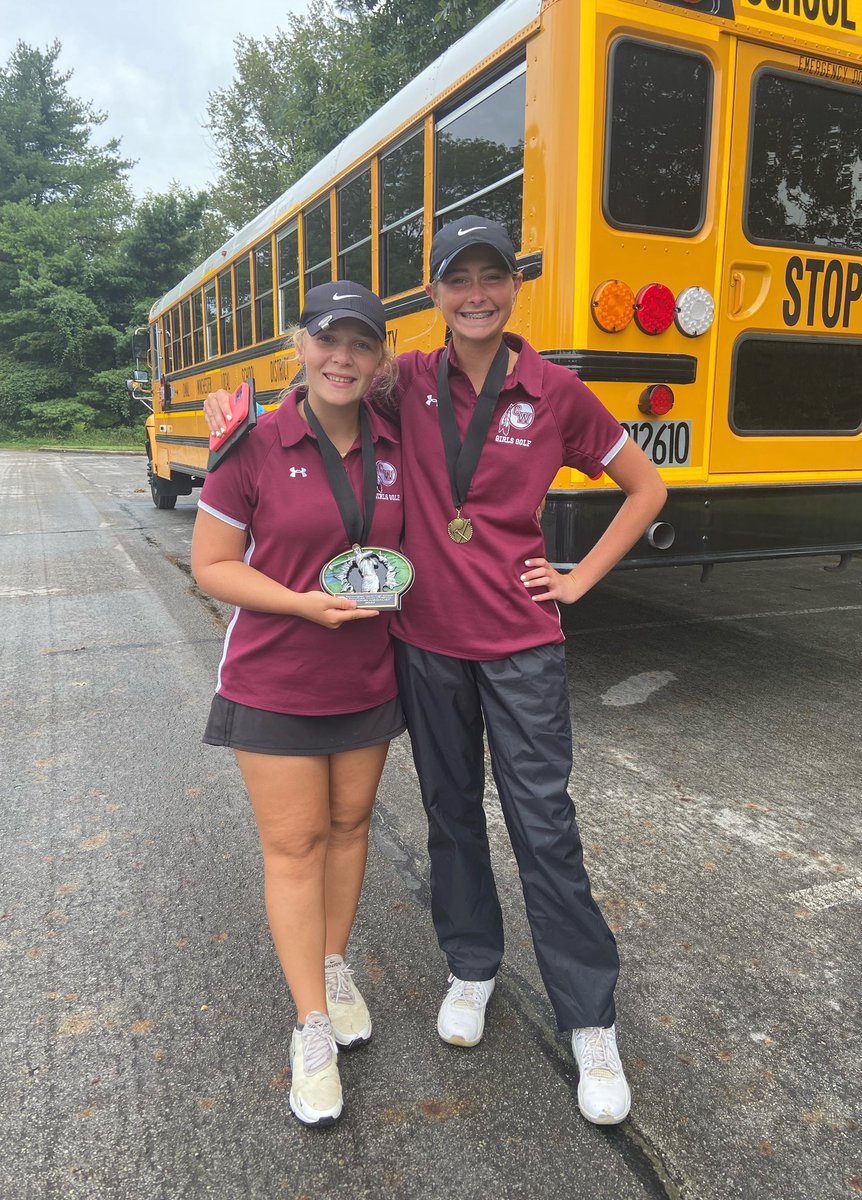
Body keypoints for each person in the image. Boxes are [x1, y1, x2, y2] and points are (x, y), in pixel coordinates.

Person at [206, 217, 667, 1125]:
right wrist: (243, 419)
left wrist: (576, 579)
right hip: (423, 644)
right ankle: (471, 966)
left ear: (515, 286)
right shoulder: (404, 379)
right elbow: (323, 386)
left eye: (494, 277)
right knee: (451, 816)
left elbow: (646, 488)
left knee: (544, 824)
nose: (477, 296)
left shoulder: (558, 390)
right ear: (436, 295)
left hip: (523, 646)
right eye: (459, 280)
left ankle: (590, 1021)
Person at [192, 281, 405, 1127]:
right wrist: (302, 602)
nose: (342, 358)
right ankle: (310, 1024)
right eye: (328, 340)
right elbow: (213, 565)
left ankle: (334, 963)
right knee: (295, 845)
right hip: (275, 678)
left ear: (379, 357)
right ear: (299, 345)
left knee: (351, 827)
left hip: (366, 680)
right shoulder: (249, 442)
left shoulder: (396, 443)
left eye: (359, 344)